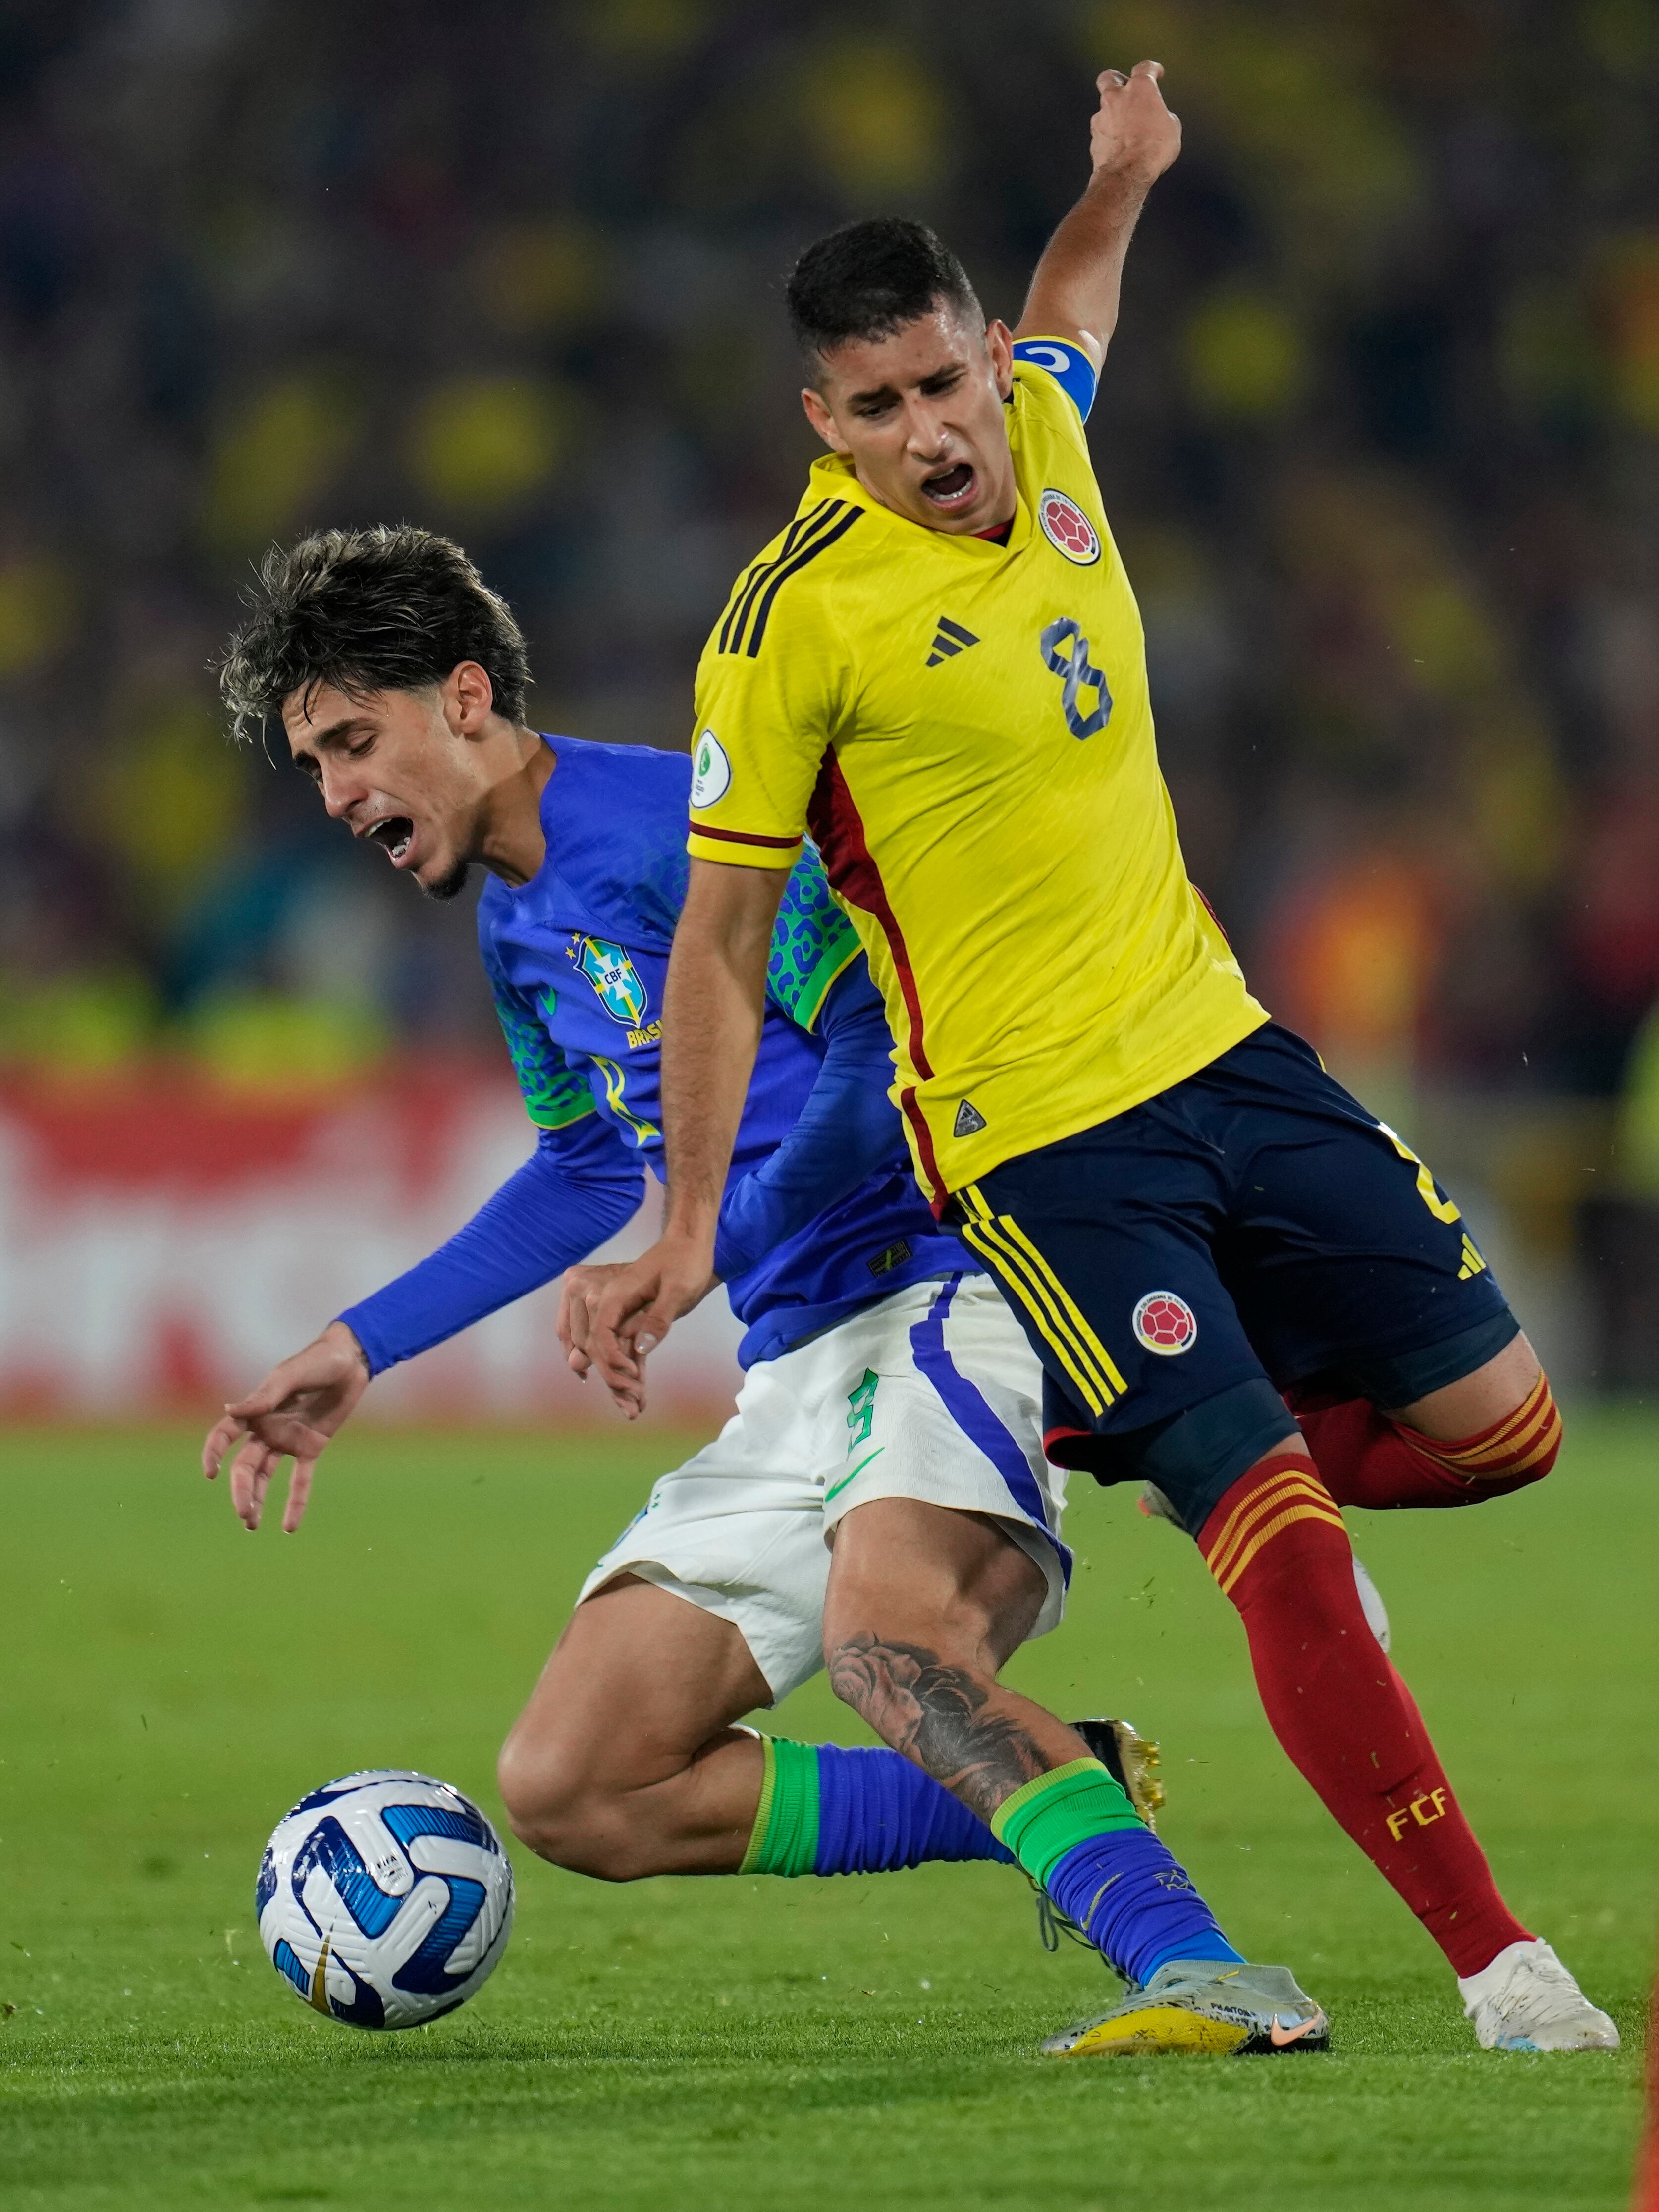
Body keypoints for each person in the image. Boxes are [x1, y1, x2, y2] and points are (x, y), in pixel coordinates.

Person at [585, 61, 1616, 2055]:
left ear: (980, 365)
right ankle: (1500, 1962)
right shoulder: (789, 622)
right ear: (821, 422)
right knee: (1280, 1538)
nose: (926, 433)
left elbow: (1079, 306)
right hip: (1047, 1147)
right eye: (872, 409)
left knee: (1504, 1429)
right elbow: (719, 940)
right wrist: (683, 1217)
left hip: (1227, 1050)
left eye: (941, 386)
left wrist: (1120, 176)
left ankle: (1130, 1440)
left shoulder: (1045, 421)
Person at [201, 522, 1329, 2060]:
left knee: (895, 1644)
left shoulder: (683, 825)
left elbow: (876, 1044)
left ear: (464, 698)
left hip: (942, 1291)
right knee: (576, 1783)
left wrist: (703, 1241)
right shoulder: (517, 920)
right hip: (802, 1360)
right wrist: (359, 1344)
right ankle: (1056, 1779)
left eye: (351, 743)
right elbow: (593, 1167)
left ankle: (1207, 1974)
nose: (335, 797)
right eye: (315, 766)